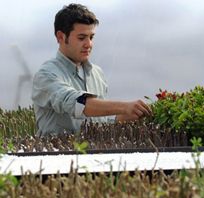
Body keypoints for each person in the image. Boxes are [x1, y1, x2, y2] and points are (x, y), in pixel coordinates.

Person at [32, 3, 152, 136]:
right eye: (81, 38)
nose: (88, 44)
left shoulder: (97, 74)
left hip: (96, 155)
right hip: (59, 156)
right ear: (60, 37)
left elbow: (100, 123)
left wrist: (126, 115)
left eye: (91, 37)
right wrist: (124, 107)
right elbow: (77, 104)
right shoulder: (46, 75)